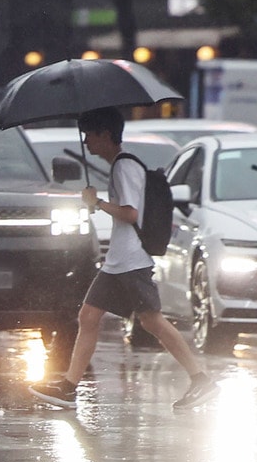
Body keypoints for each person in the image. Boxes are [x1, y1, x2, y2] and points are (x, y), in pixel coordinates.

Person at [30, 107, 218, 411]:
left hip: (132, 260)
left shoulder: (124, 167)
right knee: (88, 317)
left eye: (89, 135)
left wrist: (98, 202)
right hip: (119, 261)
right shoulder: (121, 165)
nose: (86, 142)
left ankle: (201, 380)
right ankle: (68, 387)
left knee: (152, 321)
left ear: (105, 134)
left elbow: (130, 213)